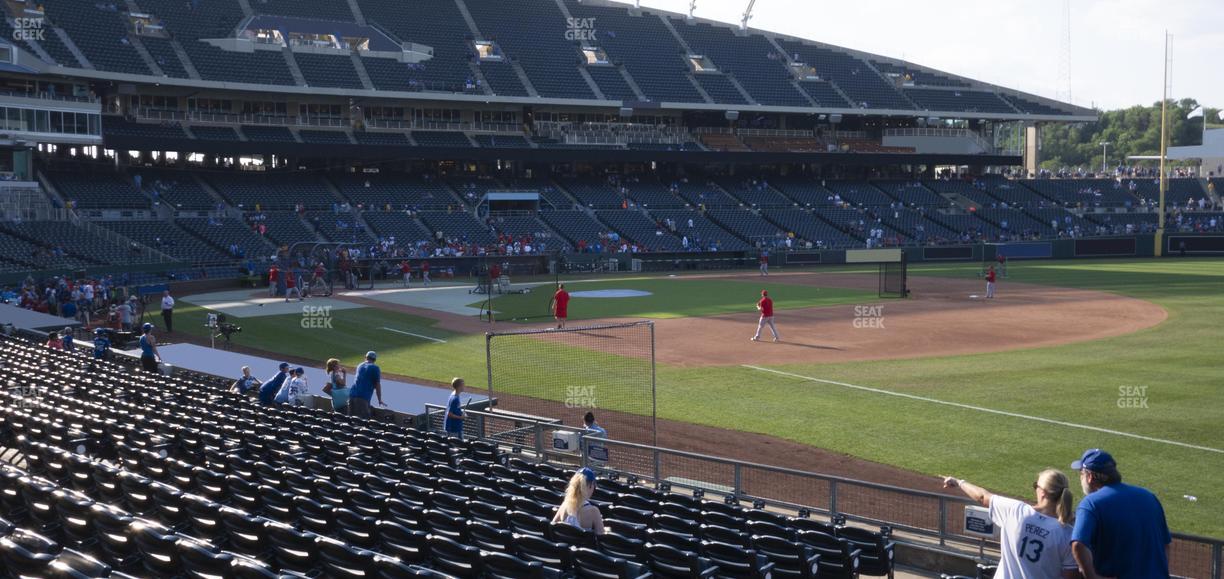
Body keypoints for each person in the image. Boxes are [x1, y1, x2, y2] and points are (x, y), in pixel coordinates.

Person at [942, 471, 1078, 579]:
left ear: (1043, 492)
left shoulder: (1015, 511)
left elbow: (982, 497)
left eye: (1036, 485)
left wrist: (960, 482)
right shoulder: (1068, 533)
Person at [1070, 449, 1170, 579]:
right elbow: (1166, 544)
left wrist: (1093, 577)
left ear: (1089, 477)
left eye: (1081, 474)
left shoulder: (1091, 503)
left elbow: (1078, 544)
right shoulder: (1149, 496)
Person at [551, 467, 605, 535]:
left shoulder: (564, 505)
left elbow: (552, 525)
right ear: (590, 486)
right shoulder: (594, 511)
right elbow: (601, 536)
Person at [348, 351, 385, 418]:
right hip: (363, 398)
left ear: (365, 357)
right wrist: (379, 399)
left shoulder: (360, 365)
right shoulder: (375, 368)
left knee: (351, 420)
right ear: (375, 360)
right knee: (363, 422)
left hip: (351, 396)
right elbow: (377, 385)